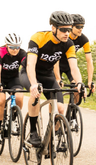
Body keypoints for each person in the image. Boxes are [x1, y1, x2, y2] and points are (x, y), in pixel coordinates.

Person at [21, 11, 84, 147]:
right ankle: (33, 132)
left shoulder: (68, 44)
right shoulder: (38, 38)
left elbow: (74, 68)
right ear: (53, 28)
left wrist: (79, 82)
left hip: (47, 75)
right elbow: (30, 65)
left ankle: (50, 139)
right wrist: (33, 84)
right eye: (63, 30)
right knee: (35, 94)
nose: (66, 33)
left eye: (68, 29)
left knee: (60, 109)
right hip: (30, 74)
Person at [0, 33, 27, 145]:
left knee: (19, 97)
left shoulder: (22, 53)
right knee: (0, 101)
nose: (15, 50)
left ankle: (14, 120)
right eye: (12, 47)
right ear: (6, 45)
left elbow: (28, 67)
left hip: (13, 78)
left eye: (17, 47)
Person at [59, 14, 94, 101]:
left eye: (82, 26)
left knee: (77, 88)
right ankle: (53, 113)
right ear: (71, 27)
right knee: (56, 92)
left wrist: (90, 81)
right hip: (57, 64)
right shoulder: (63, 37)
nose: (80, 29)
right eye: (78, 26)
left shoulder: (84, 39)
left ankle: (73, 110)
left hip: (70, 66)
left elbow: (89, 61)